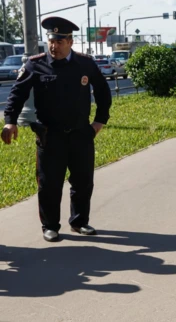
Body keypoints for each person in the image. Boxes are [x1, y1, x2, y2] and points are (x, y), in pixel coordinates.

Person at [1, 17, 112, 242]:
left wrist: (99, 122)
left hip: (81, 133)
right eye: (52, 41)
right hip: (50, 135)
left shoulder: (85, 64)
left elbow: (103, 92)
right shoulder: (35, 64)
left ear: (71, 41)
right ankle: (50, 226)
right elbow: (17, 94)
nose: (54, 46)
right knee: (49, 183)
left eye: (60, 42)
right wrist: (10, 120)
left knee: (83, 182)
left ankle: (80, 222)